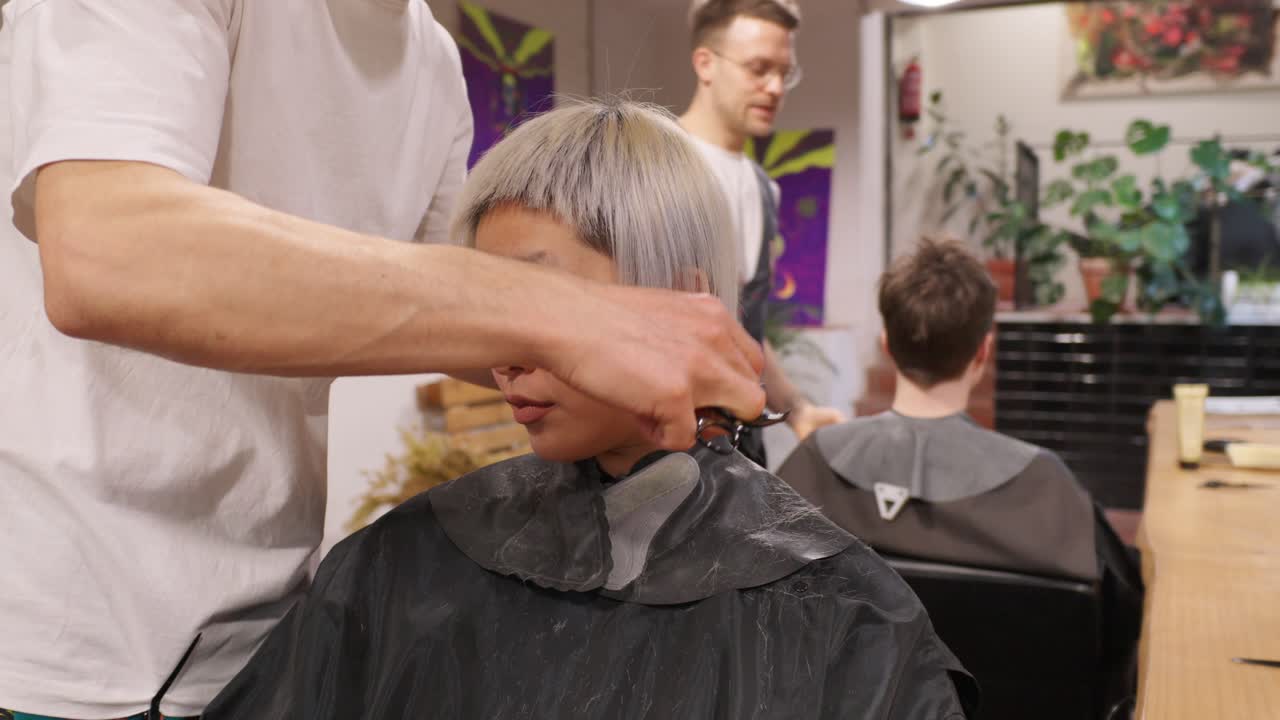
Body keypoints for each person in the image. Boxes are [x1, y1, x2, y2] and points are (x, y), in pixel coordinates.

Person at [0, 3, 765, 718]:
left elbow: (449, 317)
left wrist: (626, 366)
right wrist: (570, 317)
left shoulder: (428, 57)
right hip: (63, 633)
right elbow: (107, 253)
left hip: (260, 629)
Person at [201, 100, 978, 720]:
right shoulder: (399, 565)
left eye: (542, 298)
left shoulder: (850, 622)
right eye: (490, 307)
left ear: (683, 294)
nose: (502, 352)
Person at [776, 237, 1144, 705]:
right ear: (983, 352)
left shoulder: (811, 467)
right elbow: (1121, 625)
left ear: (888, 344)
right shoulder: (1046, 487)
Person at [678, 0, 845, 464]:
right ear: (705, 63)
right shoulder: (658, 168)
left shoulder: (761, 188)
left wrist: (798, 412)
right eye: (758, 68)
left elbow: (742, 329)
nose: (774, 87)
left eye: (784, 73)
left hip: (742, 454)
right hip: (664, 455)